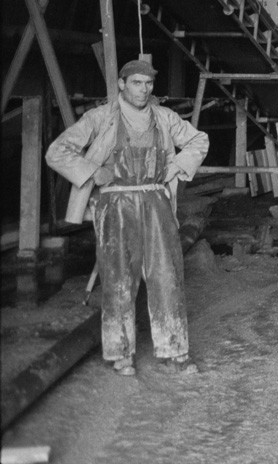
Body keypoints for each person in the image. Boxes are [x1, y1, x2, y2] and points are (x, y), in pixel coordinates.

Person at [46, 58, 210, 376]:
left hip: (156, 200)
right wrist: (94, 171)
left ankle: (174, 351)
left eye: (148, 83)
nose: (143, 89)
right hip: (115, 204)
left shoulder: (164, 117)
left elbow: (198, 140)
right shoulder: (101, 118)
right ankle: (121, 354)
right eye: (136, 83)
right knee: (119, 279)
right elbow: (58, 151)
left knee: (167, 275)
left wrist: (176, 166)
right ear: (122, 85)